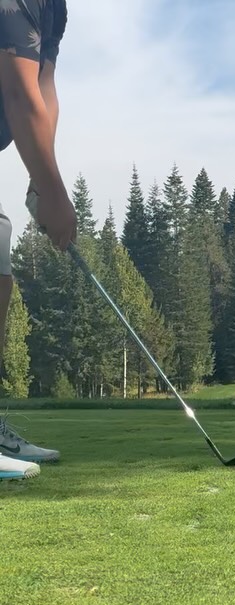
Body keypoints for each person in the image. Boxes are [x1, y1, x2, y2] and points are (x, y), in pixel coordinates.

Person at [0, 0, 76, 481]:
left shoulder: (55, 8)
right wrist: (53, 192)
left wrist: (40, 177)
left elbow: (45, 90)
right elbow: (19, 93)